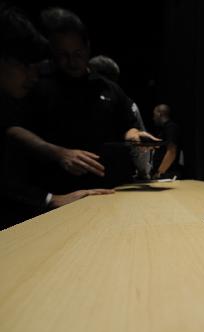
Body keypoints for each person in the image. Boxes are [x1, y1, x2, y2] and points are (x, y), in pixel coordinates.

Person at [0, 4, 113, 229]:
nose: (33, 75)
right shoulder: (40, 87)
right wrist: (50, 199)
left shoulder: (106, 87)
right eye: (25, 65)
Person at [26, 7, 159, 193]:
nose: (71, 62)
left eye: (77, 54)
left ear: (88, 48)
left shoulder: (107, 87)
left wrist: (135, 136)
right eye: (63, 55)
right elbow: (16, 130)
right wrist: (59, 153)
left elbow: (127, 125)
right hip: (57, 190)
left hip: (107, 187)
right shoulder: (37, 83)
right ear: (53, 52)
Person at [89, 54, 152, 179]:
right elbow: (139, 144)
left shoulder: (67, 96)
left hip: (76, 172)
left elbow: (135, 136)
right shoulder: (127, 102)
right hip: (114, 173)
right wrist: (143, 171)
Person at [151, 104, 181, 179]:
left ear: (159, 114)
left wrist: (159, 172)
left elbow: (171, 151)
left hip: (169, 175)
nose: (153, 118)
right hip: (164, 175)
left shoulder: (171, 127)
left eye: (154, 115)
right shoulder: (164, 129)